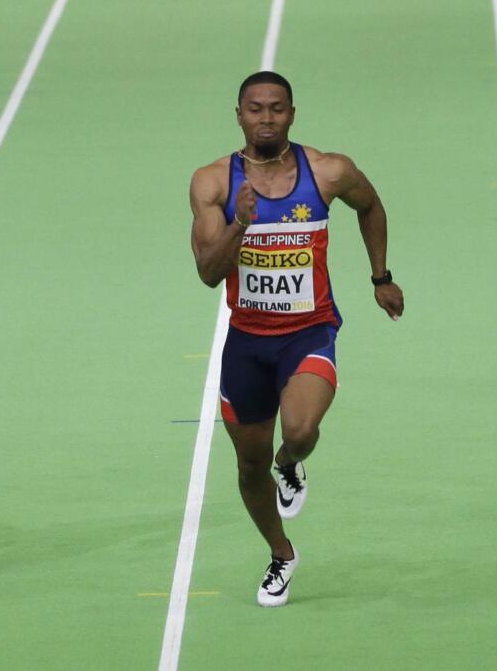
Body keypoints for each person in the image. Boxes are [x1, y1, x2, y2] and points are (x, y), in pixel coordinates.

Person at [189, 71, 404, 607]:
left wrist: (380, 277)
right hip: (247, 341)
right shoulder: (213, 183)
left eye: (277, 108)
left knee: (301, 430)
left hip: (308, 332)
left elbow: (371, 205)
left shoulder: (329, 171)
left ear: (292, 113)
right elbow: (209, 273)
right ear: (238, 114)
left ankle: (292, 464)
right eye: (256, 109)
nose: (267, 118)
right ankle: (281, 555)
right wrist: (239, 225)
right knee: (247, 464)